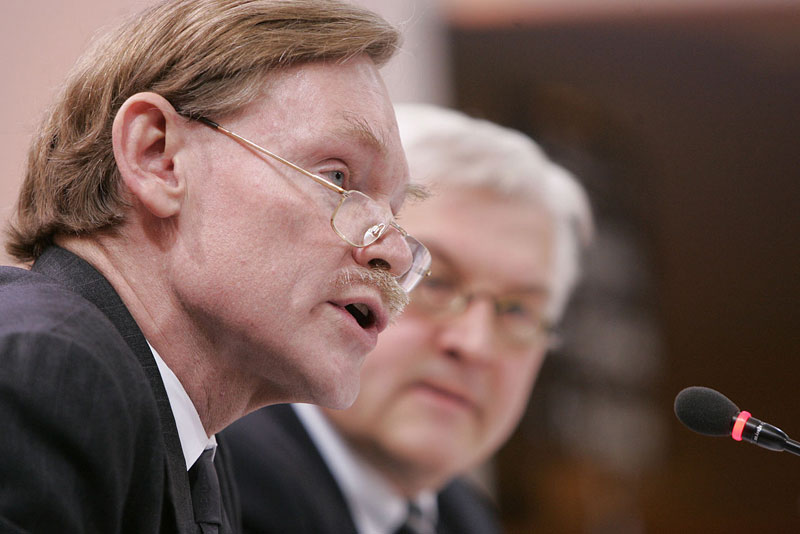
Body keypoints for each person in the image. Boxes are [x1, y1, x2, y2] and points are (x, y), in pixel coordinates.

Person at [0, 1, 432, 532]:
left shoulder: (196, 452)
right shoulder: (42, 372)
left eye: (395, 210)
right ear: (158, 157)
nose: (394, 251)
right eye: (339, 179)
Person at [223, 103, 594, 533]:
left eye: (516, 310)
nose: (475, 344)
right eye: (436, 283)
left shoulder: (469, 519)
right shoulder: (216, 479)